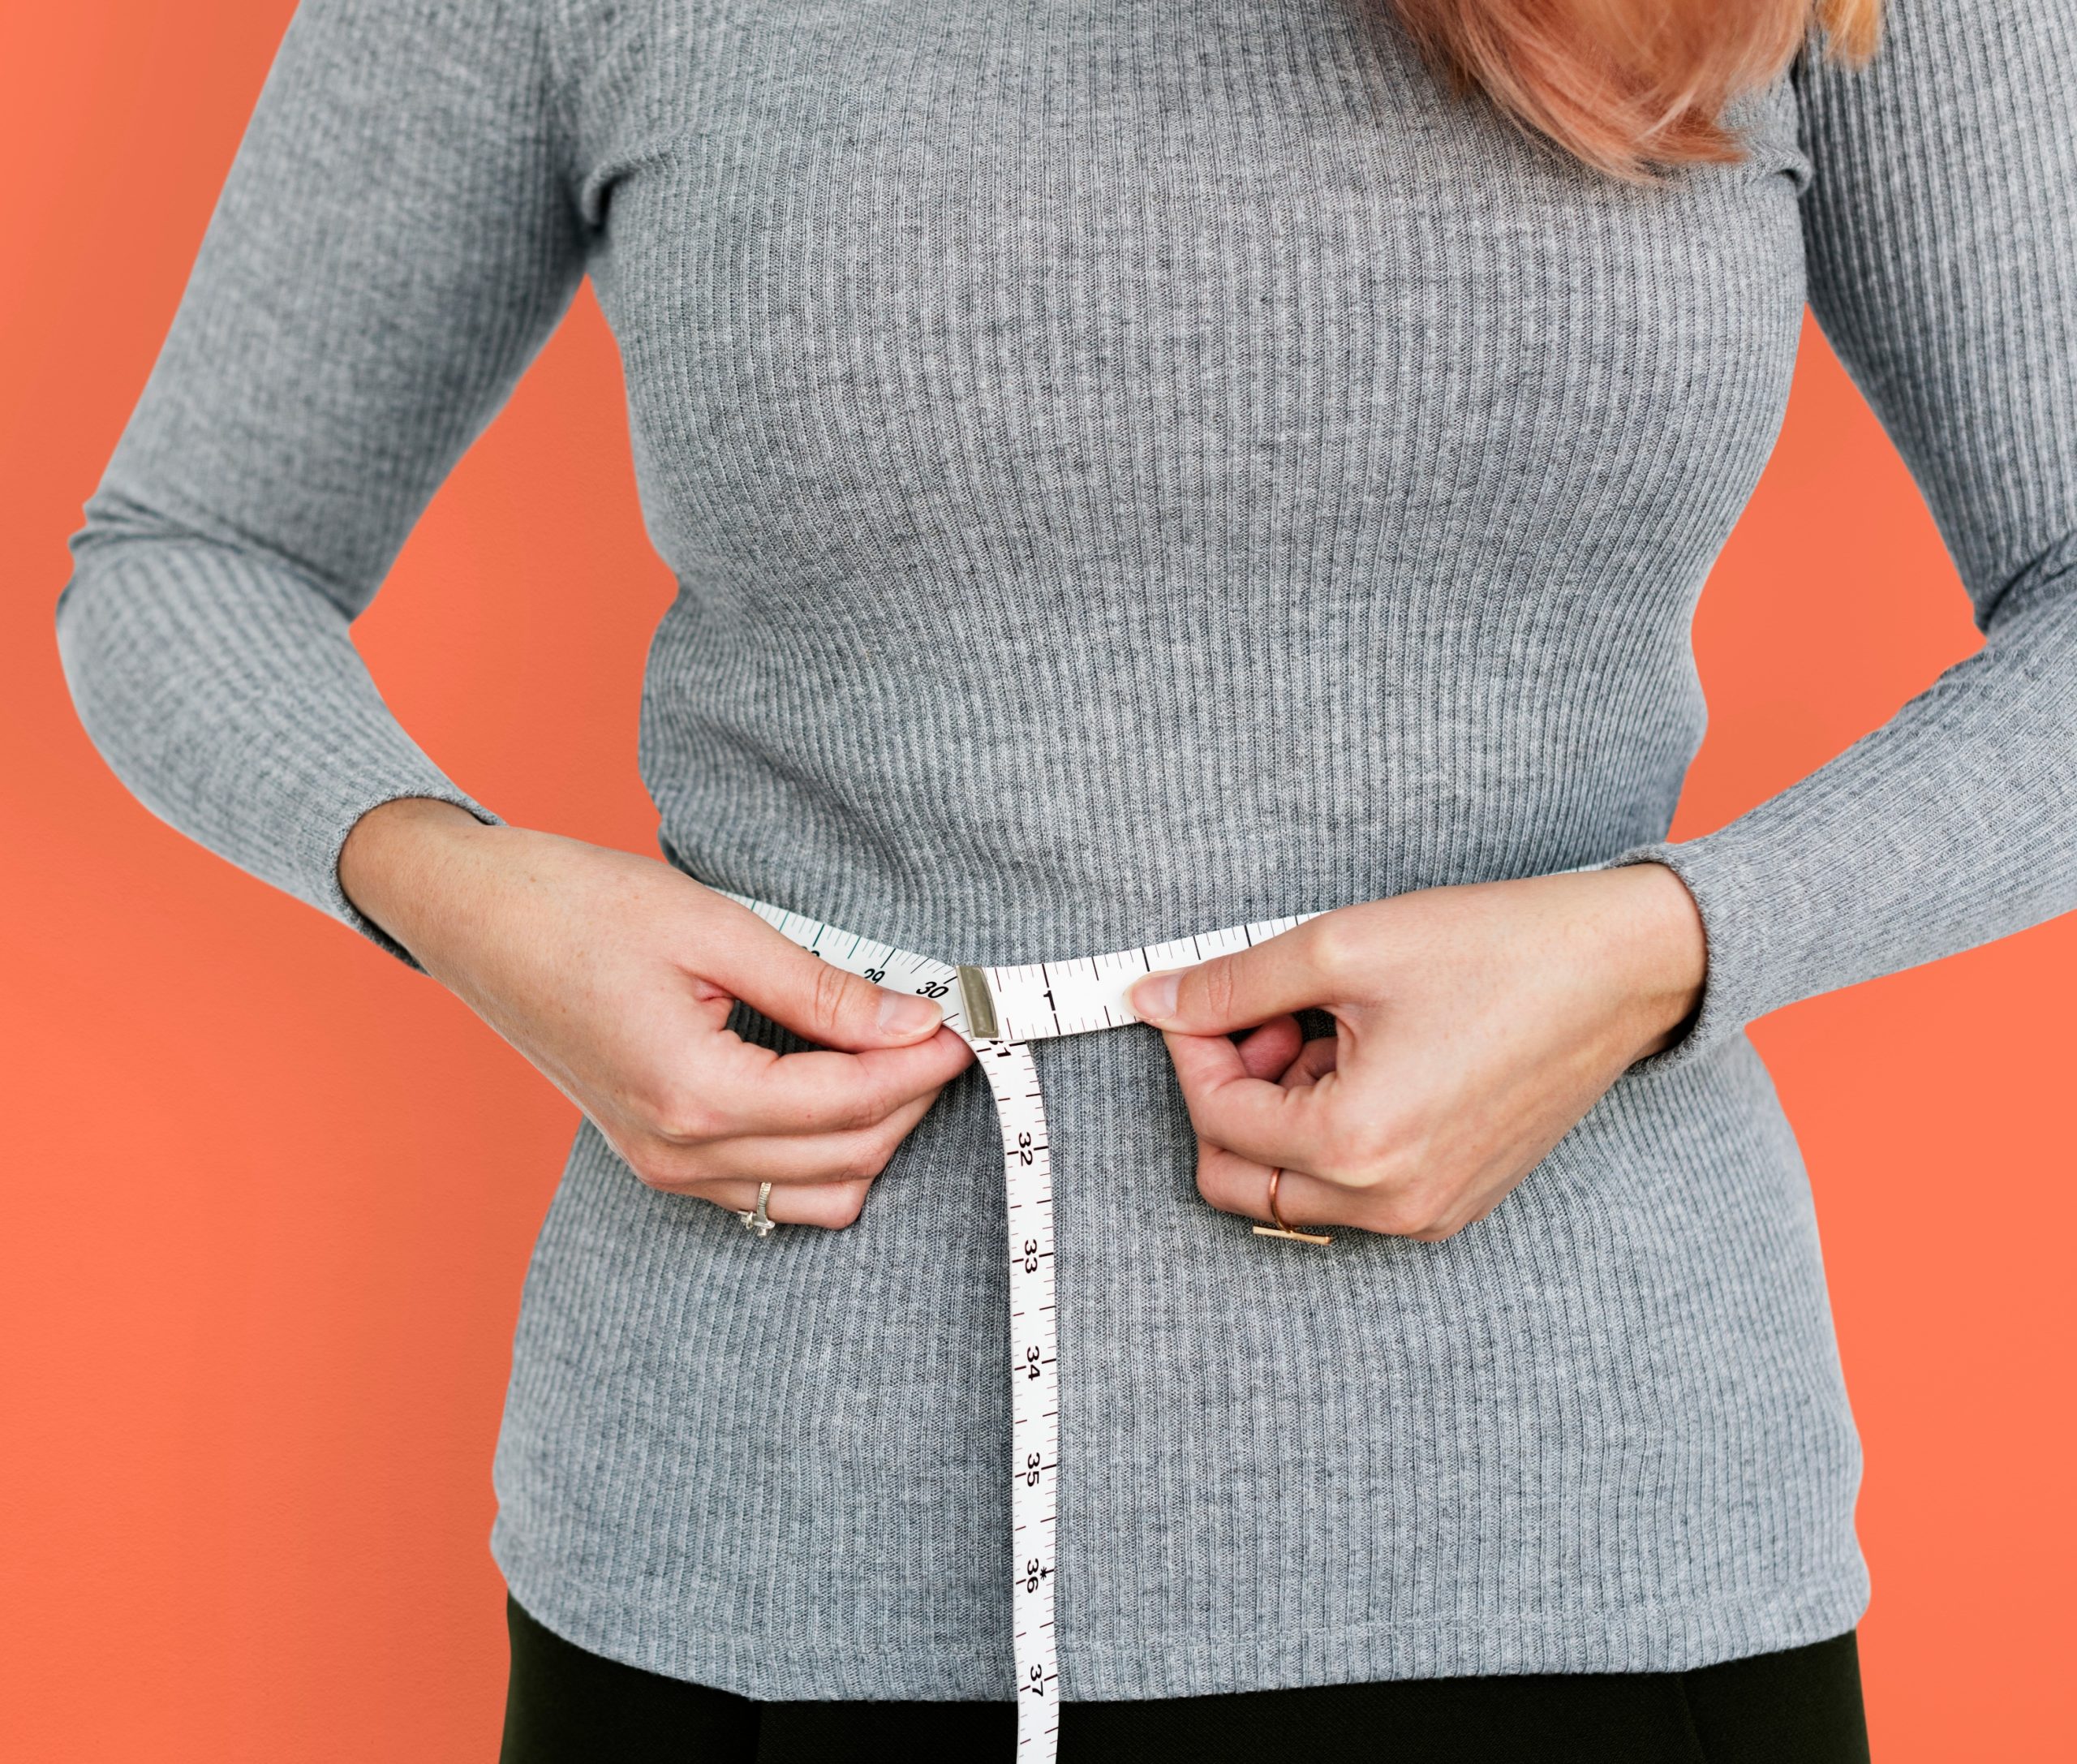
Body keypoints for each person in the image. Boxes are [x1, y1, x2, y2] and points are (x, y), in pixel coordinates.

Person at [52, 0, 2075, 1756]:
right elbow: (189, 556)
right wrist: (464, 894)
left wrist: (1669, 945)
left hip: (1586, 1538)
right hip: (774, 1541)